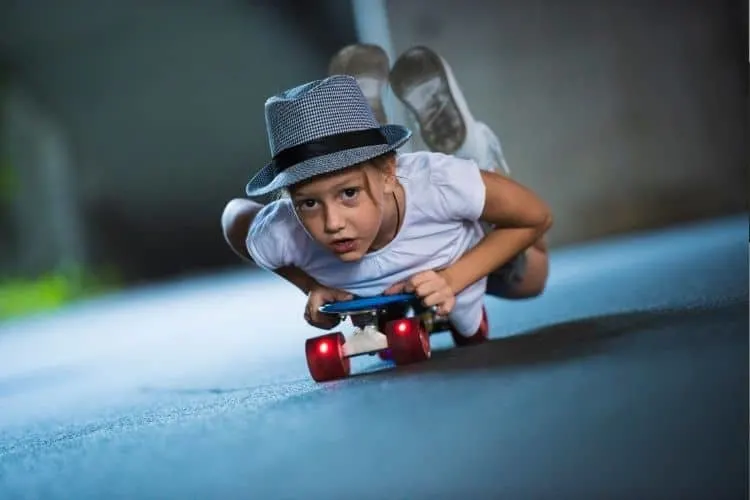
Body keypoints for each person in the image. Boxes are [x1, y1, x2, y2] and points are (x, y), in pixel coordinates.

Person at [221, 45, 552, 345]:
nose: (332, 223)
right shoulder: (286, 228)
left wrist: (453, 278)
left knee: (532, 277)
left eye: (349, 193)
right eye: (308, 203)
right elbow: (234, 218)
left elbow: (537, 217)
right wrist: (309, 284)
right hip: (390, 269)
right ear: (290, 198)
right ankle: (362, 121)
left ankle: (478, 158)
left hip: (459, 238)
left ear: (390, 172)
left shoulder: (436, 184)